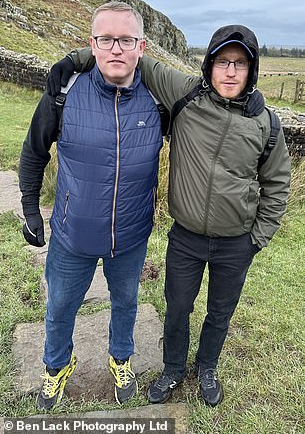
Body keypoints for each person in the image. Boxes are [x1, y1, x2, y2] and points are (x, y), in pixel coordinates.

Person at [47, 24, 291, 407]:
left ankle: (207, 367)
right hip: (187, 237)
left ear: (252, 70)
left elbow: (277, 183)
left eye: (240, 64)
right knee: (178, 307)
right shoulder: (186, 93)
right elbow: (130, 55)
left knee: (220, 312)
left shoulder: (267, 123)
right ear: (209, 65)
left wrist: (257, 238)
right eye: (223, 62)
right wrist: (75, 58)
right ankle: (173, 369)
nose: (230, 72)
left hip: (236, 242)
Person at [19, 1, 163, 410]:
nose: (116, 48)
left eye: (126, 39)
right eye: (105, 39)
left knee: (127, 302)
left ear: (142, 46)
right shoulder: (63, 93)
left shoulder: (158, 102)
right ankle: (56, 366)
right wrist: (31, 209)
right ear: (92, 44)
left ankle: (121, 358)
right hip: (72, 233)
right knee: (61, 305)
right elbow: (33, 153)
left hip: (131, 235)